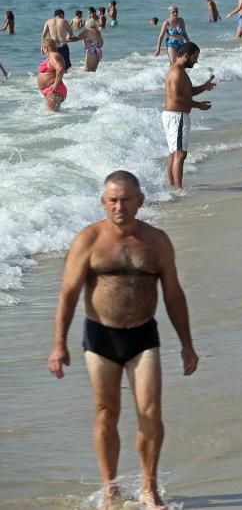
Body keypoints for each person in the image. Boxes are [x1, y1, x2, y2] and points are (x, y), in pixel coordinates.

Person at [48, 170, 198, 509]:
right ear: (103, 202)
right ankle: (110, 488)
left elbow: (174, 295)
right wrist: (59, 343)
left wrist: (187, 344)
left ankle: (149, 487)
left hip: (144, 336)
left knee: (150, 412)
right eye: (113, 200)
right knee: (106, 413)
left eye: (127, 199)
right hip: (100, 337)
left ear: (140, 201)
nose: (120, 206)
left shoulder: (157, 241)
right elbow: (68, 294)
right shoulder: (88, 240)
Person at [162, 42, 215, 190]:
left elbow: (187, 92)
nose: (196, 61)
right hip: (176, 116)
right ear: (186, 56)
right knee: (179, 154)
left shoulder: (178, 71)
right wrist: (199, 106)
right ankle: (178, 189)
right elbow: (176, 98)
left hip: (174, 115)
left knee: (174, 153)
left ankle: (173, 187)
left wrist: (204, 87)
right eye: (195, 57)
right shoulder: (177, 72)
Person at [37, 37, 67, 112]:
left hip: (54, 90)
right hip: (52, 90)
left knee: (51, 116)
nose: (42, 50)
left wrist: (56, 84)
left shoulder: (53, 56)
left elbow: (60, 68)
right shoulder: (53, 56)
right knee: (53, 116)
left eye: (43, 48)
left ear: (46, 48)